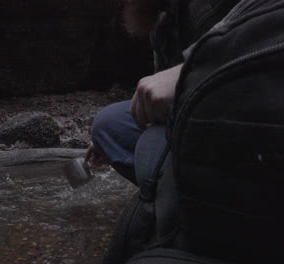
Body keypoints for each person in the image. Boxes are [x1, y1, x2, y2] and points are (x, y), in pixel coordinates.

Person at [85, 0, 242, 183]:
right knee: (109, 125)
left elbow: (256, 36)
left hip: (237, 114)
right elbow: (159, 97)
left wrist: (191, 70)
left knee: (150, 147)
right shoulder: (162, 21)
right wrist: (106, 143)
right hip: (188, 118)